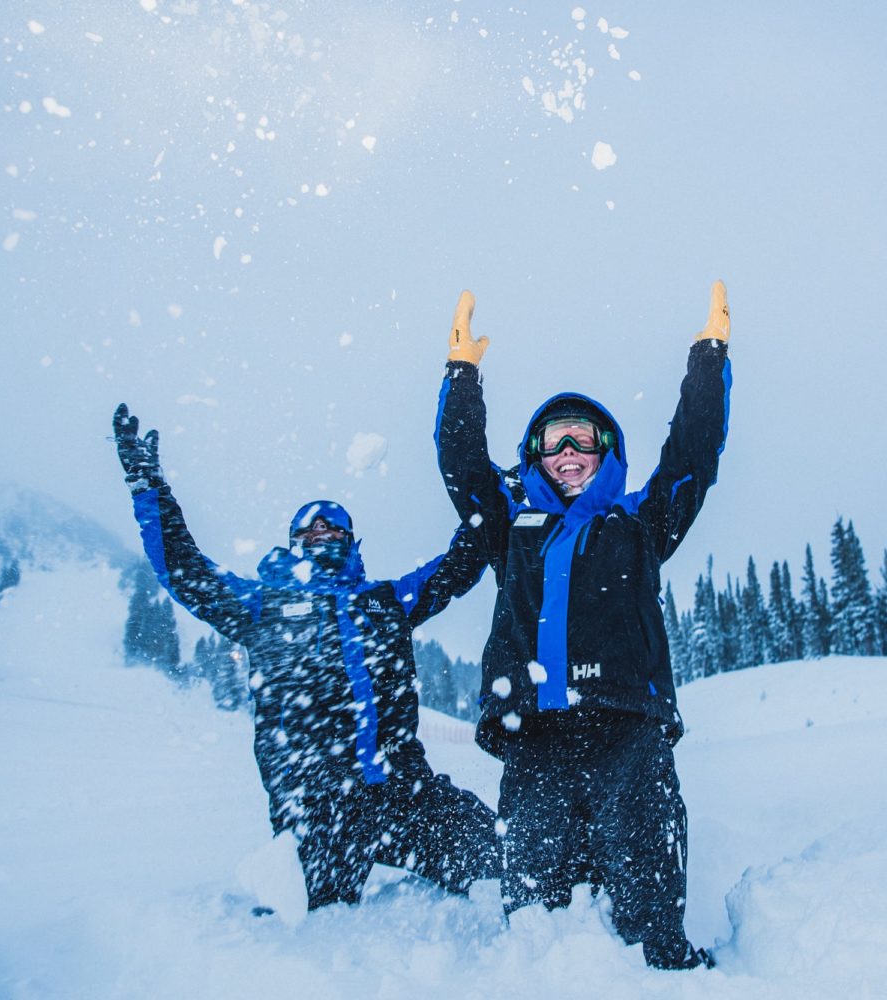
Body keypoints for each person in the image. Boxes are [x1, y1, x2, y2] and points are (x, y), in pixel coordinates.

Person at [432, 282, 732, 969]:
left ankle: (667, 974)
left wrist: (708, 360)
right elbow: (462, 466)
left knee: (645, 898)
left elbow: (692, 457)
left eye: (583, 439)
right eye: (552, 441)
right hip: (534, 734)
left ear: (605, 451)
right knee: (537, 911)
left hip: (627, 726)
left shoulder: (637, 524)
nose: (568, 452)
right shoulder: (511, 529)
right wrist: (461, 375)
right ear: (534, 455)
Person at [112, 404, 498, 910]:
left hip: (403, 792)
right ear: (294, 546)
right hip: (315, 806)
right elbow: (186, 571)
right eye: (311, 536)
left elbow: (460, 564)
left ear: (351, 543)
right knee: (312, 920)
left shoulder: (385, 602)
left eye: (334, 534)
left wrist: (492, 498)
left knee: (500, 861)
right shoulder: (261, 607)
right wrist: (149, 488)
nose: (323, 540)